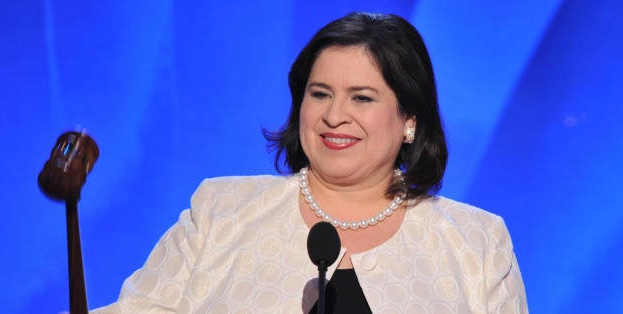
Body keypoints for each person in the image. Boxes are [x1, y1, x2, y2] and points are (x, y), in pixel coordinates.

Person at [93, 12, 527, 313]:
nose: (334, 115)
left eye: (362, 97)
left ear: (409, 120)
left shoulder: (478, 244)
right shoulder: (221, 212)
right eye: (319, 94)